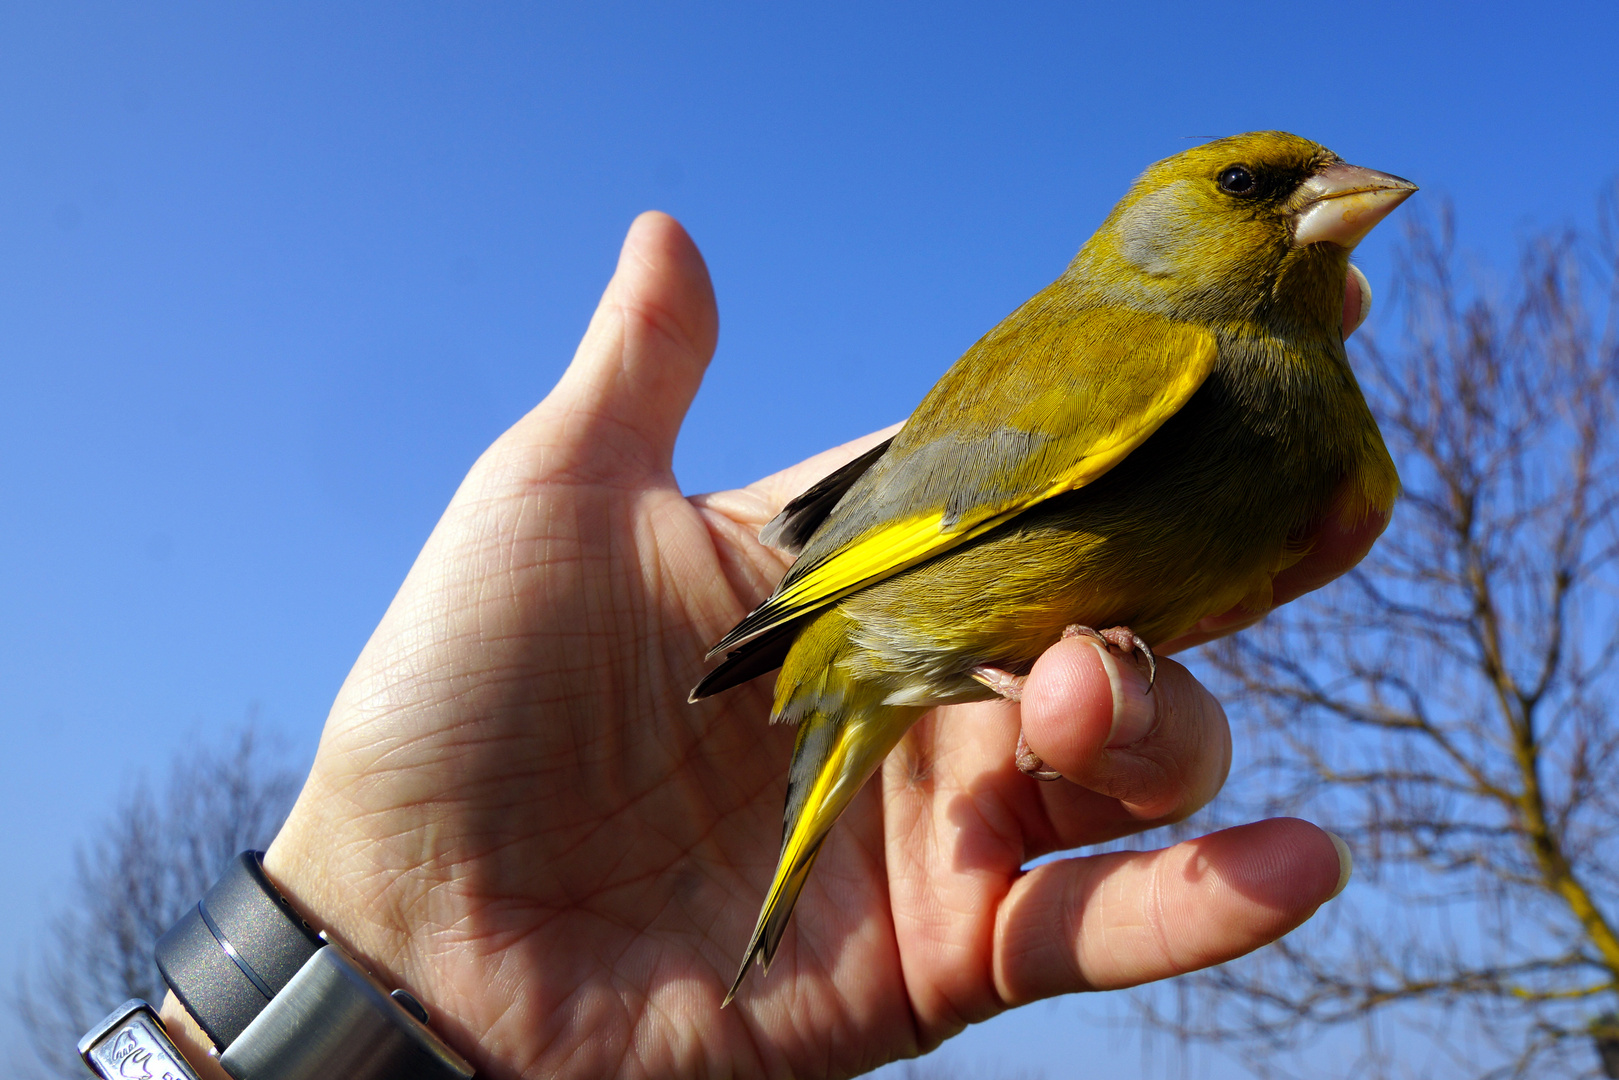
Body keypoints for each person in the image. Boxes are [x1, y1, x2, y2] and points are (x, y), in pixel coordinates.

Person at [158, 212, 1371, 1079]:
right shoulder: (1140, 349)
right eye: (1254, 187)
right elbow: (928, 523)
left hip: (939, 634)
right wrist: (363, 939)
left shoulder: (1315, 420)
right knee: (1074, 696)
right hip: (876, 611)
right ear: (1151, 226)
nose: (1322, 199)